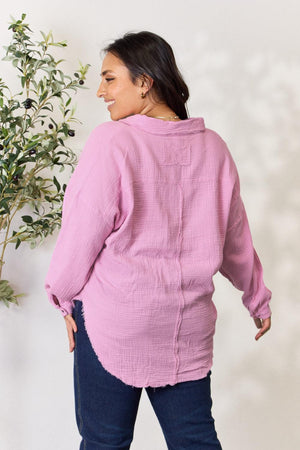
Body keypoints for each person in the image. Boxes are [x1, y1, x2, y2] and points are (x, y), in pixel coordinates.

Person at [44, 30, 272, 450]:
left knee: (104, 442)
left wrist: (60, 294)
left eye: (110, 79)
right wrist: (256, 297)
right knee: (194, 440)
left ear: (145, 81)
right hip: (185, 329)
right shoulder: (214, 148)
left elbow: (82, 232)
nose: (100, 91)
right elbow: (235, 237)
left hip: (116, 322)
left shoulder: (111, 142)